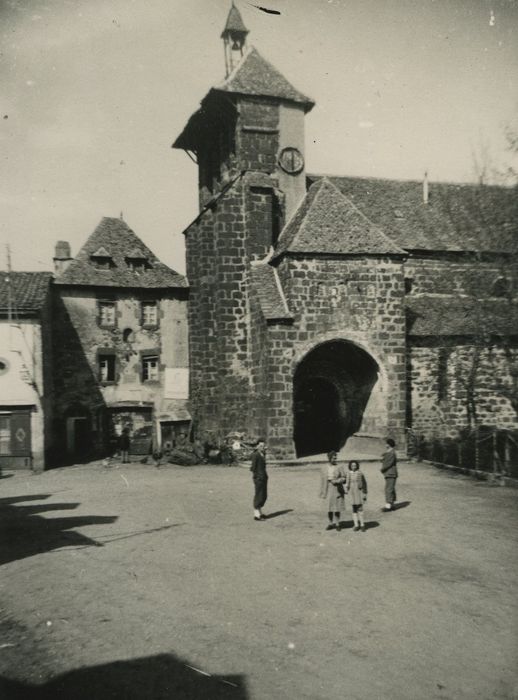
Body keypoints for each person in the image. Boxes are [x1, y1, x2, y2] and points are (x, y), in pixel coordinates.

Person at [319, 450, 346, 531]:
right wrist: (323, 491)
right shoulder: (324, 468)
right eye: (333, 458)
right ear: (329, 458)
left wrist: (338, 481)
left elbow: (344, 477)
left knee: (337, 507)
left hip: (337, 488)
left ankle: (337, 523)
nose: (335, 459)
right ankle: (330, 523)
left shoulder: (339, 467)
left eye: (335, 458)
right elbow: (322, 480)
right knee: (329, 507)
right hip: (328, 488)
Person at [345, 460, 368, 532]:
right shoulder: (348, 473)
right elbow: (346, 483)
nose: (353, 467)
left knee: (360, 508)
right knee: (354, 508)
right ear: (350, 466)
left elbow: (364, 483)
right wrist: (346, 489)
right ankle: (356, 525)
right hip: (351, 492)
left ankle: (362, 525)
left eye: (355, 465)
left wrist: (364, 493)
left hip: (359, 491)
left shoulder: (360, 473)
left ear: (357, 466)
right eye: (352, 466)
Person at [250, 438, 268, 521]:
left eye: (263, 446)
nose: (262, 447)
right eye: (260, 446)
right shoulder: (255, 455)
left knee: (263, 495)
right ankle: (256, 515)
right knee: (259, 495)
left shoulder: (263, 453)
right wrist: (257, 476)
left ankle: (260, 513)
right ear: (257, 446)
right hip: (259, 478)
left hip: (264, 476)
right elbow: (253, 468)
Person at [381, 438, 398, 512]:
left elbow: (388, 463)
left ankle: (388, 506)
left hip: (390, 473)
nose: (385, 445)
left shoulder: (391, 453)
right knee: (391, 488)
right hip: (390, 473)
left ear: (389, 444)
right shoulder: (390, 452)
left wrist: (382, 469)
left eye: (386, 443)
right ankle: (392, 504)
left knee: (388, 489)